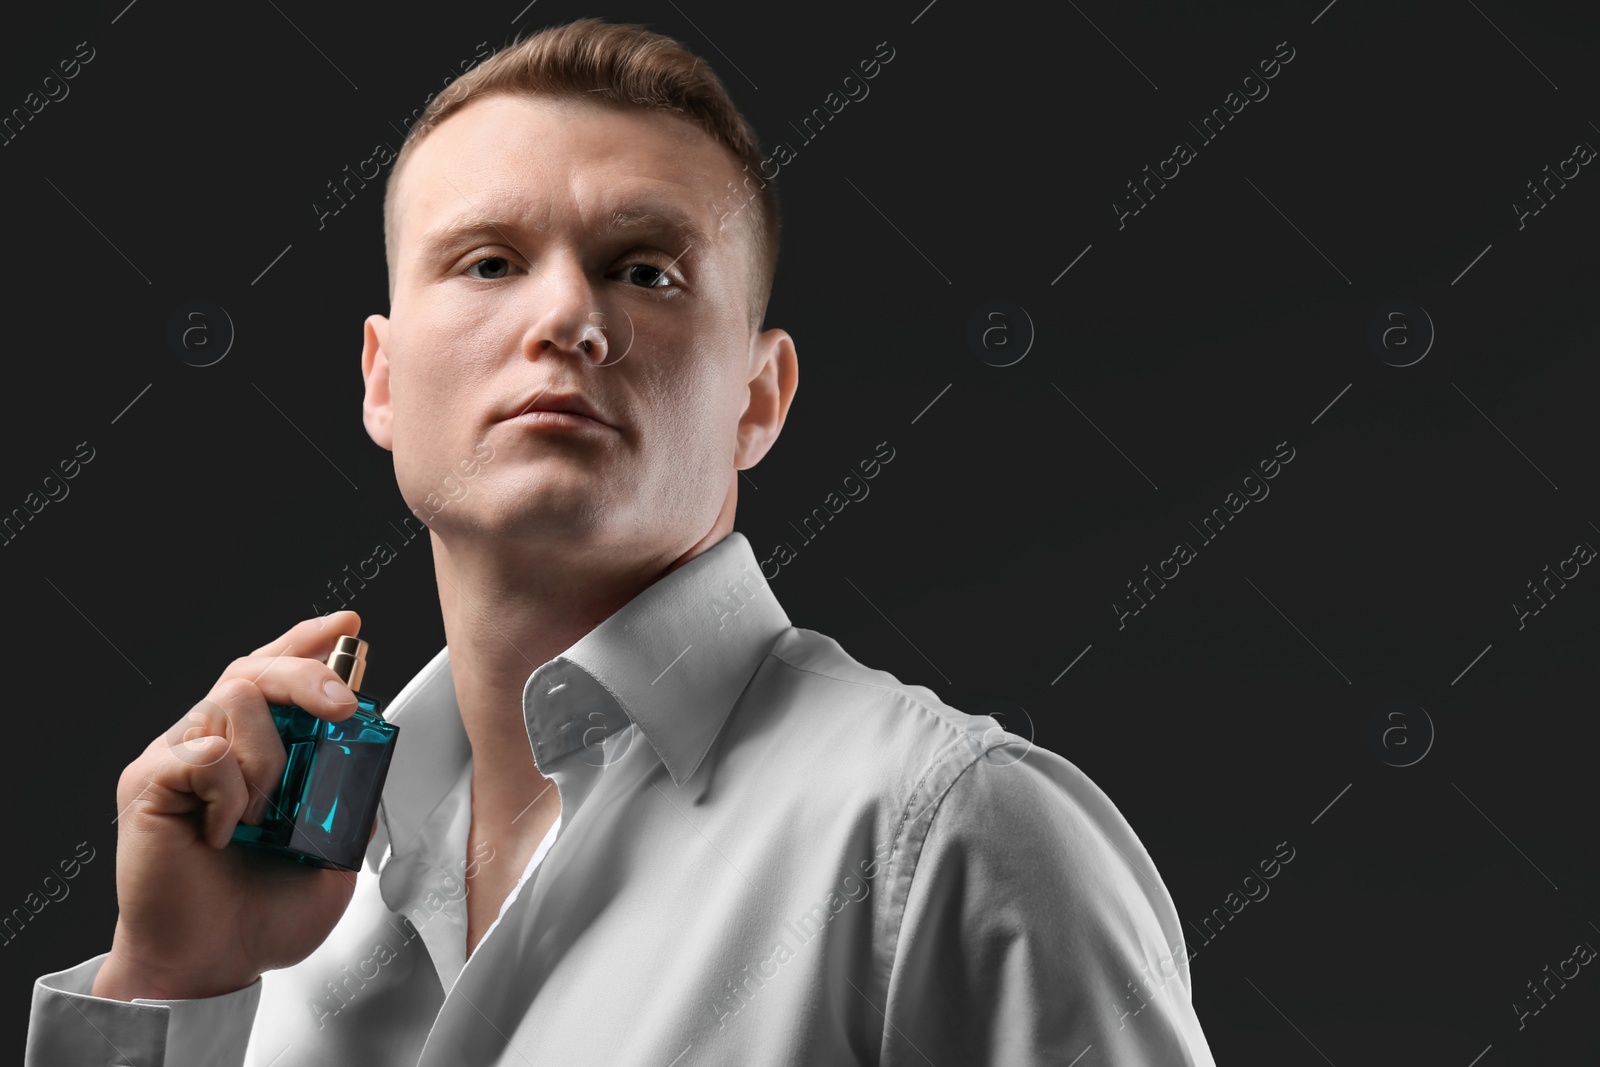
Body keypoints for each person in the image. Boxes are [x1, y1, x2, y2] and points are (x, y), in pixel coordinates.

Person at [25, 17, 1216, 1066]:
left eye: (645, 270)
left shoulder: (951, 834)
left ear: (760, 397)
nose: (567, 318)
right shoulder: (269, 879)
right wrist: (172, 984)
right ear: (383, 382)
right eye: (489, 261)